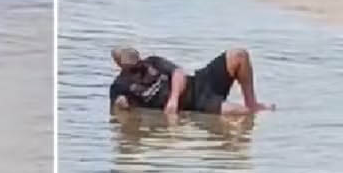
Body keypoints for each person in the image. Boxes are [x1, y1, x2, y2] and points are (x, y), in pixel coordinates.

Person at [109, 47, 273, 115]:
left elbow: (178, 73)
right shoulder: (120, 86)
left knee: (239, 55)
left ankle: (252, 102)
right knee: (243, 114)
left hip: (199, 81)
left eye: (137, 59)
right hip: (197, 103)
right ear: (120, 64)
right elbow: (119, 110)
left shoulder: (152, 61)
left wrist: (173, 99)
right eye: (132, 62)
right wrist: (122, 105)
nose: (138, 64)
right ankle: (250, 111)